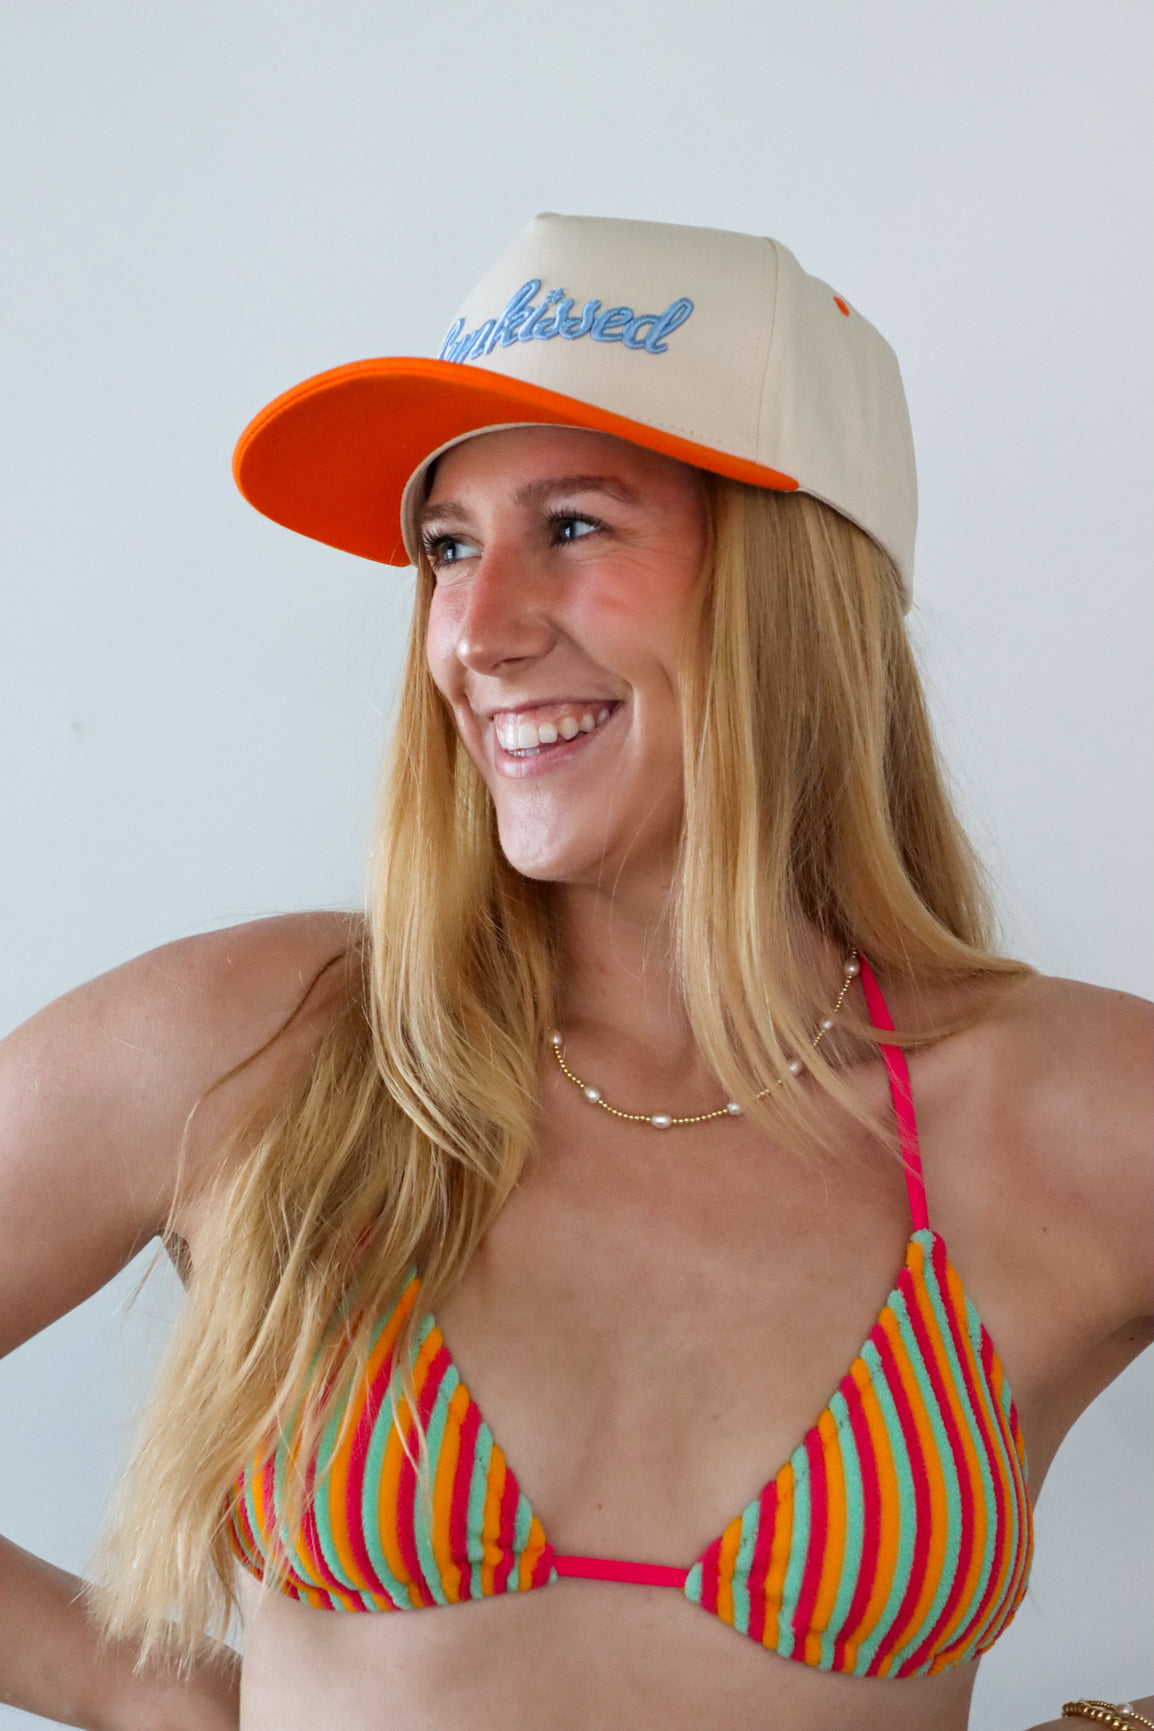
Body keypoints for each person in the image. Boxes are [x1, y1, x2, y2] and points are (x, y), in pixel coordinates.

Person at [0, 214, 1150, 1731]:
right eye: (448, 547)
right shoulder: (251, 1044)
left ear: (794, 580)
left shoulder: (1077, 1115)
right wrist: (153, 1700)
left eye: (576, 526)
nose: (473, 630)